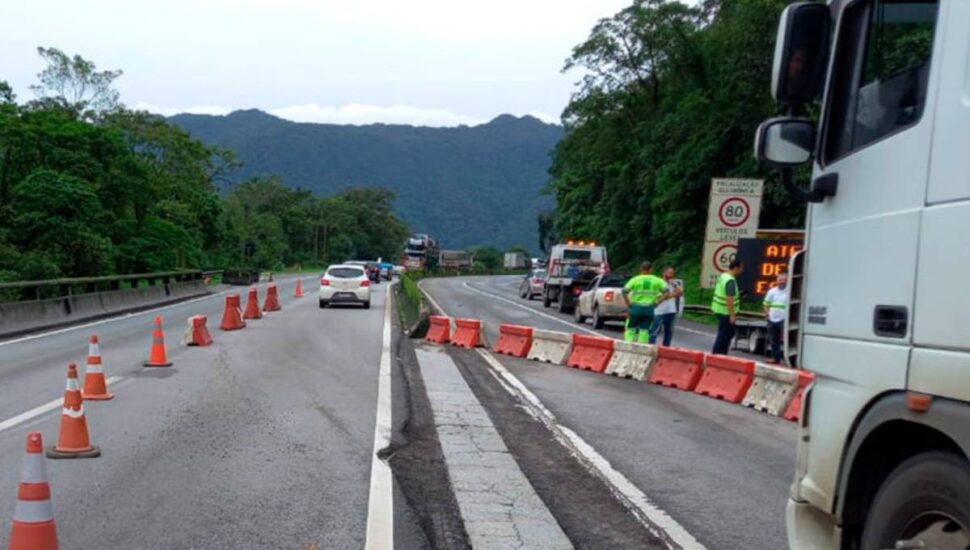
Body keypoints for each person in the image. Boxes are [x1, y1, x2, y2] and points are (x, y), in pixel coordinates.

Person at [622, 261, 669, 344]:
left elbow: (624, 291)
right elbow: (666, 292)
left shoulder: (635, 279)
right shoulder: (657, 280)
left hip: (636, 308)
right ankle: (642, 347)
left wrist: (628, 302)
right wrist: (658, 302)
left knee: (631, 328)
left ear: (641, 269)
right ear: (651, 269)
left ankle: (628, 345)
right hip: (649, 309)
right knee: (644, 330)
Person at [711, 260, 744, 355]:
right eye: (741, 268)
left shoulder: (723, 276)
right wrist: (732, 315)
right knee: (725, 336)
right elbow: (729, 298)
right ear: (736, 268)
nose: (742, 270)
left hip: (719, 310)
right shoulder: (730, 281)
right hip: (726, 312)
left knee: (722, 334)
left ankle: (717, 354)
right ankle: (719, 355)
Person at [649, 266, 683, 346]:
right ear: (664, 273)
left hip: (671, 310)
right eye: (669, 273)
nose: (671, 275)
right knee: (655, 331)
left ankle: (666, 348)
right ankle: (651, 346)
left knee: (669, 332)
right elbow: (662, 297)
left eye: (672, 273)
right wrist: (673, 294)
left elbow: (680, 293)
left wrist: (675, 286)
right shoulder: (659, 283)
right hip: (659, 311)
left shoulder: (673, 283)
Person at [763, 272, 789, 364]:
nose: (782, 282)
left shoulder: (790, 291)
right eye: (780, 280)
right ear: (777, 281)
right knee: (774, 341)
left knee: (786, 341)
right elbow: (766, 304)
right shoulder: (772, 291)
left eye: (784, 280)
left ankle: (788, 360)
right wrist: (767, 314)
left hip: (784, 320)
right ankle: (776, 359)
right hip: (772, 319)